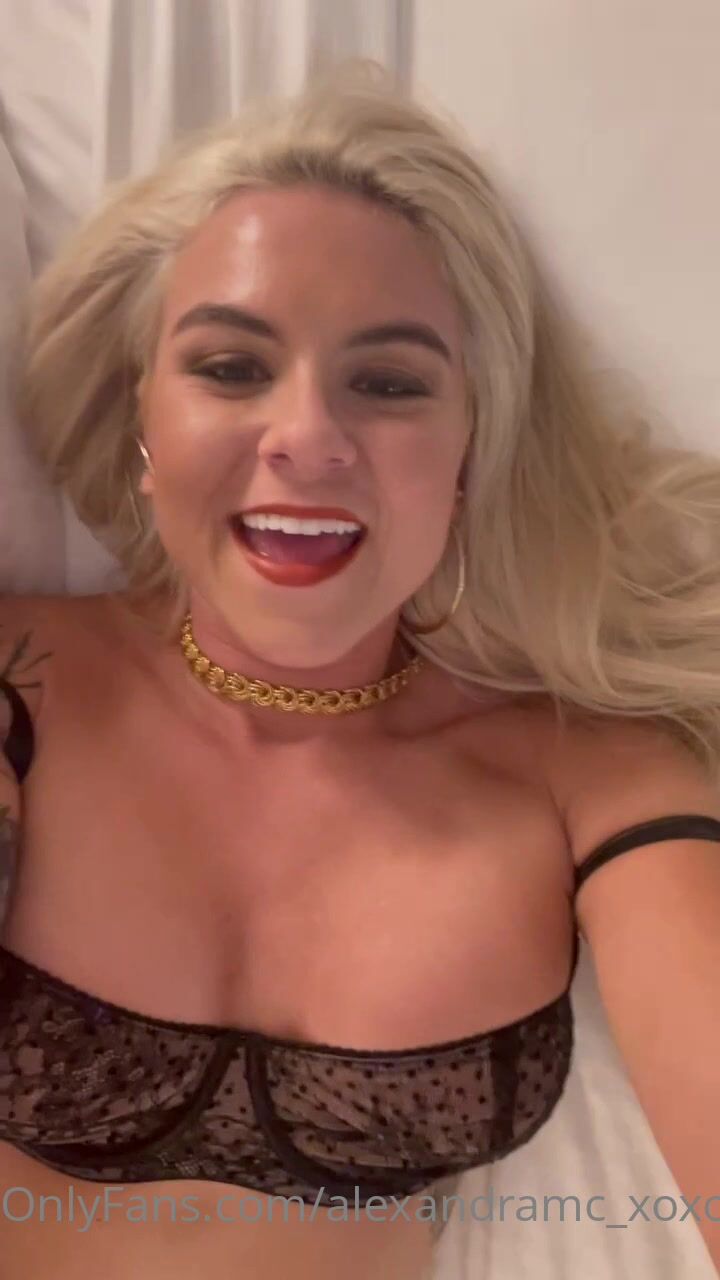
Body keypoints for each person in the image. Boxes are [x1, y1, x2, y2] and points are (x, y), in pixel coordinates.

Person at [1, 59, 719, 1280]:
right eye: (230, 366)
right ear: (143, 422)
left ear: (469, 450)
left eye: (388, 383)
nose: (307, 437)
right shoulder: (25, 682)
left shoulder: (593, 776)